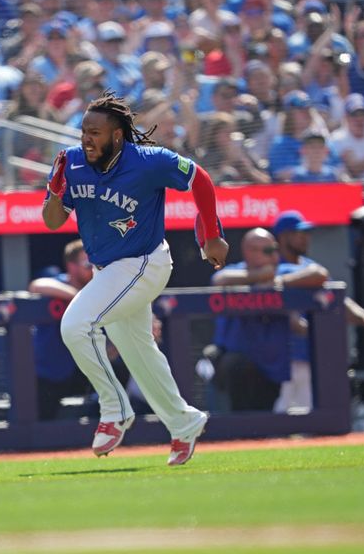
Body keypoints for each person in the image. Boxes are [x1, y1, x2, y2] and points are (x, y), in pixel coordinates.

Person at [41, 91, 229, 466]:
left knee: (75, 325)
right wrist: (54, 191)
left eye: (94, 132)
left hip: (144, 262)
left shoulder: (147, 160)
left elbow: (200, 178)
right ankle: (183, 422)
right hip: (108, 270)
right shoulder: (72, 162)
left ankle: (114, 410)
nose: (86, 138)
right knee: (138, 351)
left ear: (116, 136)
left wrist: (211, 234)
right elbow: (52, 221)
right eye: (83, 131)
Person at [271, 210, 364, 412]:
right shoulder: (272, 267)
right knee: (283, 412)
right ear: (283, 236)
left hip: (311, 354)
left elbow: (336, 297)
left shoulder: (309, 265)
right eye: (300, 233)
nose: (306, 237)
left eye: (307, 232)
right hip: (282, 357)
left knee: (306, 413)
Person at [210, 228, 328, 412]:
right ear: (249, 252)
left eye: (274, 248)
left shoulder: (282, 271)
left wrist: (278, 281)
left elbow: (319, 274)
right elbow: (219, 279)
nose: (274, 254)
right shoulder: (237, 272)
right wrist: (258, 277)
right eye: (267, 250)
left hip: (273, 365)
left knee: (269, 416)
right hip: (238, 363)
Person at [28, 240, 93, 420]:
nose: (93, 269)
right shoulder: (59, 283)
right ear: (72, 267)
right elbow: (36, 285)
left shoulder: (98, 290)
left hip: (84, 371)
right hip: (50, 371)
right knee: (43, 422)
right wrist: (78, 297)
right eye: (87, 264)